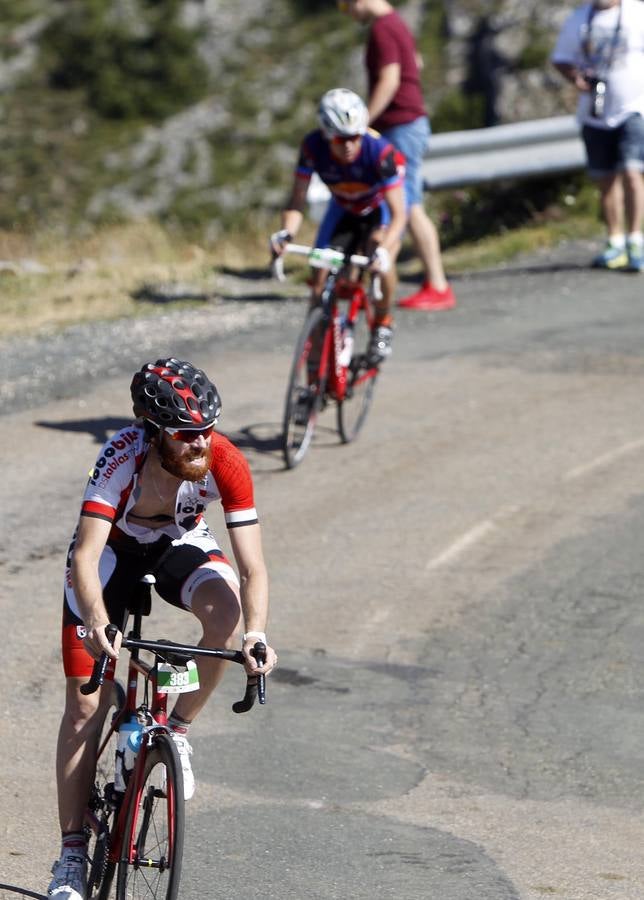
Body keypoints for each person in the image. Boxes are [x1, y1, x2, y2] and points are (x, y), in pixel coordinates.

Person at [48, 358, 277, 900]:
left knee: (226, 615)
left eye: (207, 430)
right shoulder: (122, 455)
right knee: (85, 705)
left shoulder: (224, 458)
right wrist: (100, 623)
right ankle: (72, 854)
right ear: (154, 433)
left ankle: (175, 729)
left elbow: (253, 569)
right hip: (112, 555)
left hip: (179, 543)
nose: (201, 444)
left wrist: (257, 634)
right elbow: (85, 557)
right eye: (187, 435)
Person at [270, 87, 407, 363]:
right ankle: (315, 368)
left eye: (354, 137)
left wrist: (383, 252)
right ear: (325, 134)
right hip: (342, 209)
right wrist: (286, 233)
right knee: (319, 282)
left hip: (378, 211)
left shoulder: (380, 153)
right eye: (338, 139)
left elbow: (399, 215)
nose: (347, 145)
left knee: (381, 257)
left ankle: (382, 323)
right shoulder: (312, 148)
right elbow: (297, 200)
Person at [338, 0, 457, 310]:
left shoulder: (382, 29)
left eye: (344, 5)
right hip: (407, 125)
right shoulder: (396, 23)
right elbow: (414, 64)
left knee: (402, 208)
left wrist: (361, 124)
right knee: (410, 206)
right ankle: (433, 284)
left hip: (401, 127)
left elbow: (390, 81)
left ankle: (429, 285)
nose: (347, 13)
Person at [551, 0, 644, 272]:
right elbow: (561, 59)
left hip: (633, 108)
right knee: (605, 180)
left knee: (632, 172)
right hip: (595, 113)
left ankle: (636, 238)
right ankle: (615, 240)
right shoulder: (578, 18)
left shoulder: (637, 12)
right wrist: (576, 79)